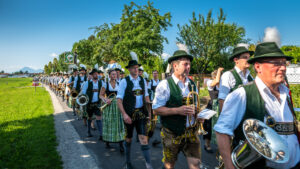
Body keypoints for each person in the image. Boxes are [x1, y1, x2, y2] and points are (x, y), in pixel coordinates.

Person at [214, 42, 300, 169]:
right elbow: (222, 131)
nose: (283, 68)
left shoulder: (286, 93)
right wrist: (228, 165)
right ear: (258, 67)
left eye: (283, 63)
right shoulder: (242, 94)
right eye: (276, 63)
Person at [153, 50, 204, 169]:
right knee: (169, 165)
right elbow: (155, 110)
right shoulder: (164, 85)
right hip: (172, 133)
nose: (189, 67)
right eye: (185, 64)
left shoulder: (192, 84)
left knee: (196, 164)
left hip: (191, 132)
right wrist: (177, 110)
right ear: (175, 66)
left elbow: (195, 107)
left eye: (189, 64)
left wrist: (199, 115)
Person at [117, 59, 153, 169]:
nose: (136, 69)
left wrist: (150, 112)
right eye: (134, 67)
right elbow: (119, 100)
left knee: (143, 138)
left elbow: (146, 97)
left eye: (137, 67)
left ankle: (148, 165)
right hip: (128, 114)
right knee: (129, 139)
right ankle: (128, 163)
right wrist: (124, 114)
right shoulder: (124, 81)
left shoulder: (142, 80)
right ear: (129, 69)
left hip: (141, 113)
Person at [218, 46, 254, 111]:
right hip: (234, 116)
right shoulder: (228, 75)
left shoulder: (250, 77)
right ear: (236, 60)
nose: (248, 60)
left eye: (249, 57)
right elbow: (222, 100)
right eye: (245, 57)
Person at [100, 69, 125, 152]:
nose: (114, 76)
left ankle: (120, 142)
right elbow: (101, 95)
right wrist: (106, 100)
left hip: (118, 105)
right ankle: (107, 140)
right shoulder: (105, 84)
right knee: (109, 122)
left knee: (119, 123)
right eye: (112, 74)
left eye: (115, 74)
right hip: (109, 105)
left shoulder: (119, 83)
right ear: (109, 75)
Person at [203, 67, 223, 153]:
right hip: (212, 107)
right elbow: (217, 81)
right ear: (215, 77)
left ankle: (220, 147)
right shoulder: (210, 82)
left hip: (221, 107)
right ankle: (207, 144)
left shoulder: (222, 86)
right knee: (209, 126)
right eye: (219, 76)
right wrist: (219, 70)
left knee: (220, 128)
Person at [81, 69, 103, 138]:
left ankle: (101, 134)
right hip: (89, 103)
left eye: (97, 73)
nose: (96, 75)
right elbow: (84, 93)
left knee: (99, 119)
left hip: (97, 103)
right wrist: (84, 101)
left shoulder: (101, 82)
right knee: (89, 118)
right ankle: (88, 132)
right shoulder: (87, 83)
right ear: (92, 75)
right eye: (94, 74)